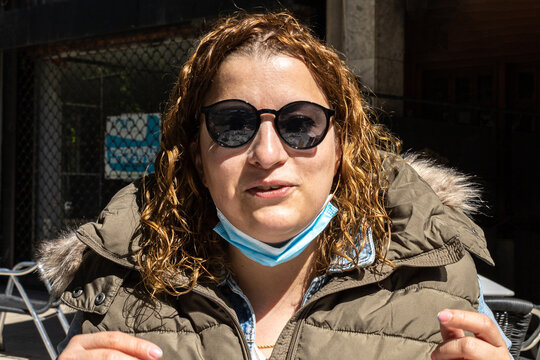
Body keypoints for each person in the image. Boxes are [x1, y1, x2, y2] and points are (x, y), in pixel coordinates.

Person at [38, 11, 512, 360]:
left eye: (300, 124)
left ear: (341, 148)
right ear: (198, 157)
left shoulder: (443, 281)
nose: (267, 153)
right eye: (233, 124)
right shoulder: (117, 296)